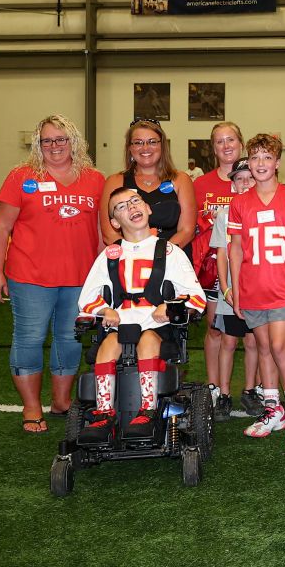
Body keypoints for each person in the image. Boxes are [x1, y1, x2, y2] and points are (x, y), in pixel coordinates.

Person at [0, 115, 104, 433]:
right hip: (29, 275)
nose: (55, 146)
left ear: (75, 142)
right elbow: (0, 226)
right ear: (38, 144)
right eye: (47, 140)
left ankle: (61, 401)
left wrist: (101, 277)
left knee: (69, 339)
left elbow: (100, 231)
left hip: (79, 278)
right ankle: (31, 406)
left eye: (61, 139)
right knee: (30, 338)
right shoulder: (21, 176)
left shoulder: (94, 179)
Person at [75, 187, 206, 441]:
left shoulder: (170, 252)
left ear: (147, 208)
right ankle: (104, 413)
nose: (131, 207)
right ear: (114, 222)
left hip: (157, 327)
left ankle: (148, 409)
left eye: (136, 201)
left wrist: (168, 307)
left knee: (147, 341)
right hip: (120, 325)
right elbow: (86, 299)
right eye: (122, 206)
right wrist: (105, 309)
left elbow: (196, 297)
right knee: (108, 345)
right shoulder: (109, 256)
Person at [227, 134, 285, 440]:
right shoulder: (239, 203)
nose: (261, 164)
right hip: (253, 287)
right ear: (248, 164)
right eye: (255, 158)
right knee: (263, 347)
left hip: (283, 285)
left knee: (280, 346)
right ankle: (273, 409)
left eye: (267, 157)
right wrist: (237, 293)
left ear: (277, 162)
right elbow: (235, 250)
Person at [194, 122, 260, 416]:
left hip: (254, 278)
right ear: (213, 147)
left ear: (240, 142)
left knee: (256, 336)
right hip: (217, 273)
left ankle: (255, 389)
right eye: (219, 141)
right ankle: (216, 389)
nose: (225, 145)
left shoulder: (261, 186)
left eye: (230, 139)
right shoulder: (201, 184)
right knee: (218, 332)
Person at [208, 158, 262, 422]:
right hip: (231, 290)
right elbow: (220, 254)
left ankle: (250, 390)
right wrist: (226, 288)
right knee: (228, 341)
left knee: (253, 341)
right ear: (232, 185)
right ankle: (224, 393)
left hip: (256, 289)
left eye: (249, 177)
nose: (244, 183)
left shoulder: (262, 211)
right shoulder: (224, 215)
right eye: (238, 179)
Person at [100, 118, 196, 257]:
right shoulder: (114, 182)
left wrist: (159, 256)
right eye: (138, 142)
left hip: (173, 261)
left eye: (152, 142)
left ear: (162, 145)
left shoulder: (181, 180)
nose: (145, 148)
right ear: (130, 147)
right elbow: (109, 232)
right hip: (130, 263)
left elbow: (187, 231)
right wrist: (136, 257)